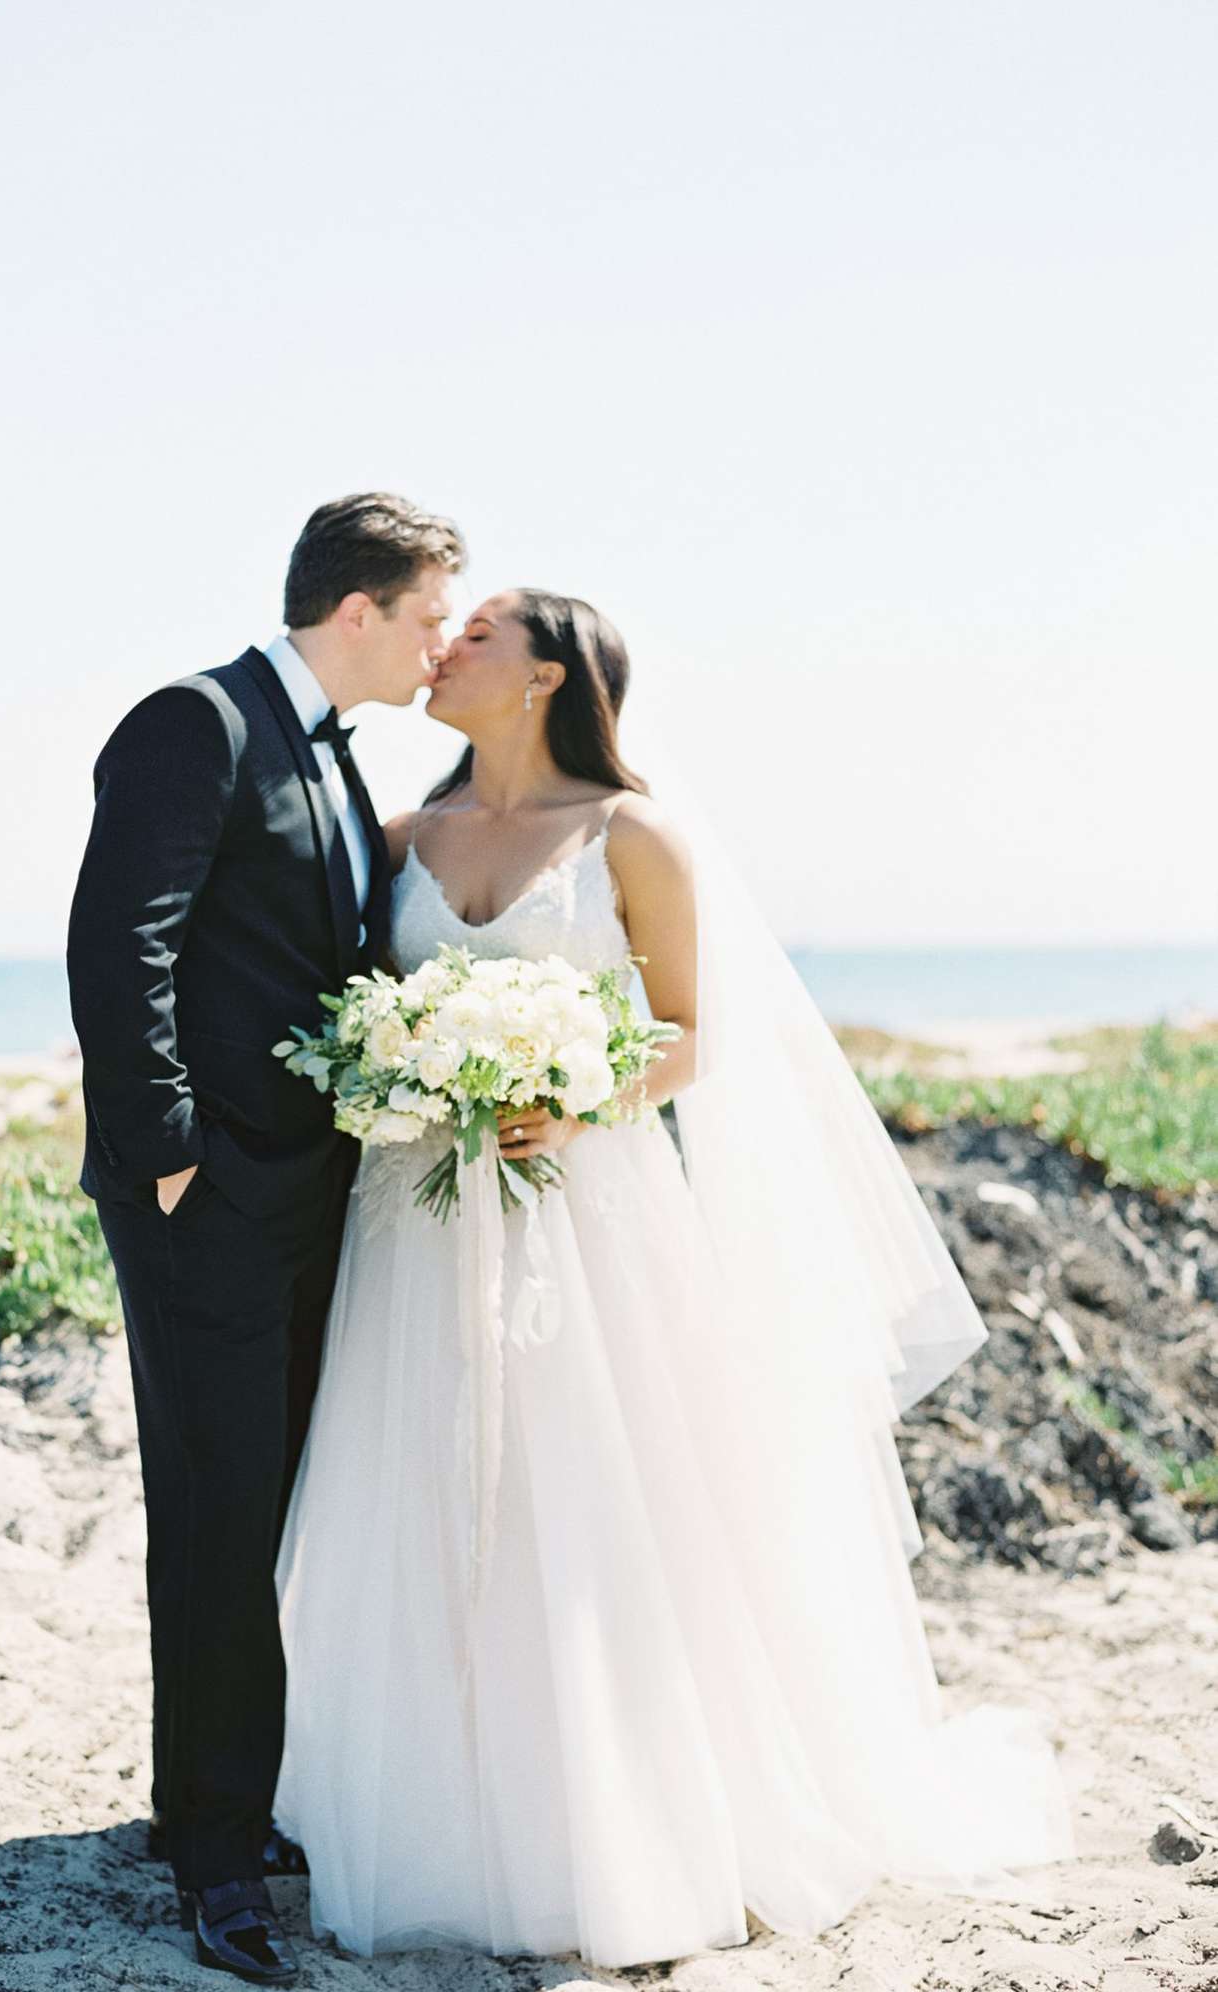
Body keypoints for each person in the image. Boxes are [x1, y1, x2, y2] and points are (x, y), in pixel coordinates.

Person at [271, 589, 1078, 1968]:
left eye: (475, 635)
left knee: (588, 1493)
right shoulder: (404, 836)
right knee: (416, 1484)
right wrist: (401, 1067)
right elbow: (348, 1007)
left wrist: (574, 1100)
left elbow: (691, 1033)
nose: (442, 648)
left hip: (585, 1215)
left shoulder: (626, 834)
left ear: (544, 676)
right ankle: (427, 1791)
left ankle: (622, 1809)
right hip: (414, 1220)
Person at [64, 492, 465, 1983]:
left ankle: (212, 1804)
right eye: (429, 617)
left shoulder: (336, 760)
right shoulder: (202, 722)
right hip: (214, 1201)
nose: (438, 647)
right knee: (223, 1515)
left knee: (276, 1510)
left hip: (311, 1193)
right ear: (358, 610)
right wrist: (169, 1159)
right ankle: (218, 1855)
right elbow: (124, 940)